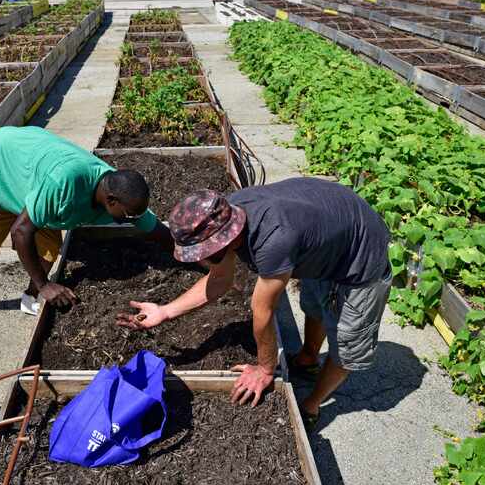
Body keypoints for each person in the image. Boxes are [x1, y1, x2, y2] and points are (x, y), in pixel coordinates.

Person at [117, 178, 391, 430]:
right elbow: (220, 279)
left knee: (347, 346)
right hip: (329, 235)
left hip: (362, 255)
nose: (202, 257)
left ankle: (311, 404)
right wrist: (165, 311)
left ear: (224, 237)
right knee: (316, 305)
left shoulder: (274, 241)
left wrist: (264, 369)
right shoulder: (228, 214)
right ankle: (308, 358)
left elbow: (263, 313)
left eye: (202, 251)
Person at [0, 126, 172, 324]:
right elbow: (20, 232)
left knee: (47, 247)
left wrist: (192, 255)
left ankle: (30, 294)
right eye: (128, 216)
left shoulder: (117, 189)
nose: (131, 221)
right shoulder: (64, 184)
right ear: (111, 200)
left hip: (31, 176)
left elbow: (154, 227)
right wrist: (46, 284)